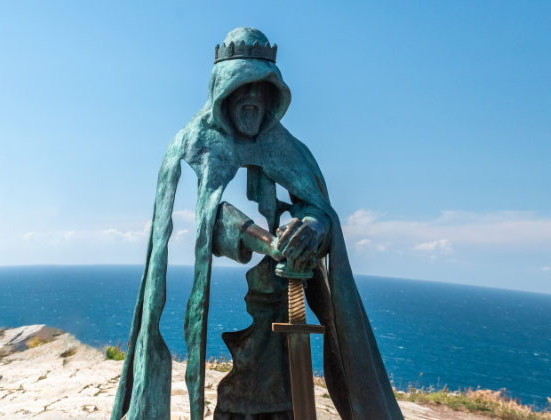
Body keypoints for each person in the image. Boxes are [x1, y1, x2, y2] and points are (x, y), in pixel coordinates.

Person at [111, 27, 404, 420]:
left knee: (273, 394)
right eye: (242, 85)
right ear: (223, 91)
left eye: (260, 87)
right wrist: (262, 239)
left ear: (272, 94)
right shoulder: (191, 143)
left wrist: (312, 229)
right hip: (269, 288)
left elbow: (320, 212)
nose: (251, 96)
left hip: (281, 304)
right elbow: (207, 219)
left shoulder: (291, 150)